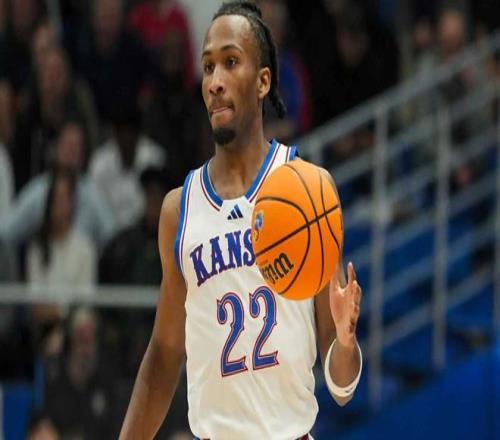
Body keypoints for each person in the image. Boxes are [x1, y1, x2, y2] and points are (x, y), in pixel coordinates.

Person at [120, 2, 362, 439]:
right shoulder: (179, 211)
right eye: (208, 66)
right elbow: (164, 355)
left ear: (263, 81)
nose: (215, 81)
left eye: (230, 62)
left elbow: (342, 389)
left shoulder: (311, 193)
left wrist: (345, 341)